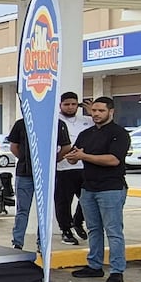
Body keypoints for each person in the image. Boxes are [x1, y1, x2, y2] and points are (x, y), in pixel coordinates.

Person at [68, 97, 131, 282]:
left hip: (111, 188)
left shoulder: (119, 134)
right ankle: (94, 265)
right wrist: (72, 157)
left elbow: (113, 160)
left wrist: (84, 156)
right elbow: (74, 156)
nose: (96, 114)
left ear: (111, 112)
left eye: (101, 111)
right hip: (88, 188)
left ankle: (117, 270)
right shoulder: (86, 134)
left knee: (113, 231)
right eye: (94, 110)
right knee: (93, 229)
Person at [6, 117, 71, 251]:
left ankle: (42, 243)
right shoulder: (21, 123)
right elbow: (14, 147)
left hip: (46, 174)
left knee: (44, 211)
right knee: (22, 210)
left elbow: (66, 147)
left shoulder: (57, 123)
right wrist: (25, 159)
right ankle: (17, 243)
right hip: (24, 173)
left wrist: (52, 160)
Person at [55, 92, 95, 245]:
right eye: (66, 104)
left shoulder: (88, 120)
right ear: (60, 105)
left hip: (85, 166)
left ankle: (78, 221)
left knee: (88, 199)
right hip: (62, 168)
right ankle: (66, 230)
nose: (70, 107)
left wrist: (92, 112)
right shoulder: (55, 121)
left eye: (73, 104)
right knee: (63, 202)